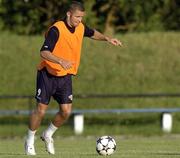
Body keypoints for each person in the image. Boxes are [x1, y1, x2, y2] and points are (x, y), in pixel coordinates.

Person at [25, 1, 122, 156]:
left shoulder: (80, 27)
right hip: (47, 74)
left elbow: (91, 33)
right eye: (77, 17)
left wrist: (107, 39)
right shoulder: (56, 29)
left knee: (65, 112)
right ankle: (29, 140)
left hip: (65, 76)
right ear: (69, 14)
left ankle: (47, 134)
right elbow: (43, 52)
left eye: (82, 17)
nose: (79, 20)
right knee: (41, 111)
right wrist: (60, 60)